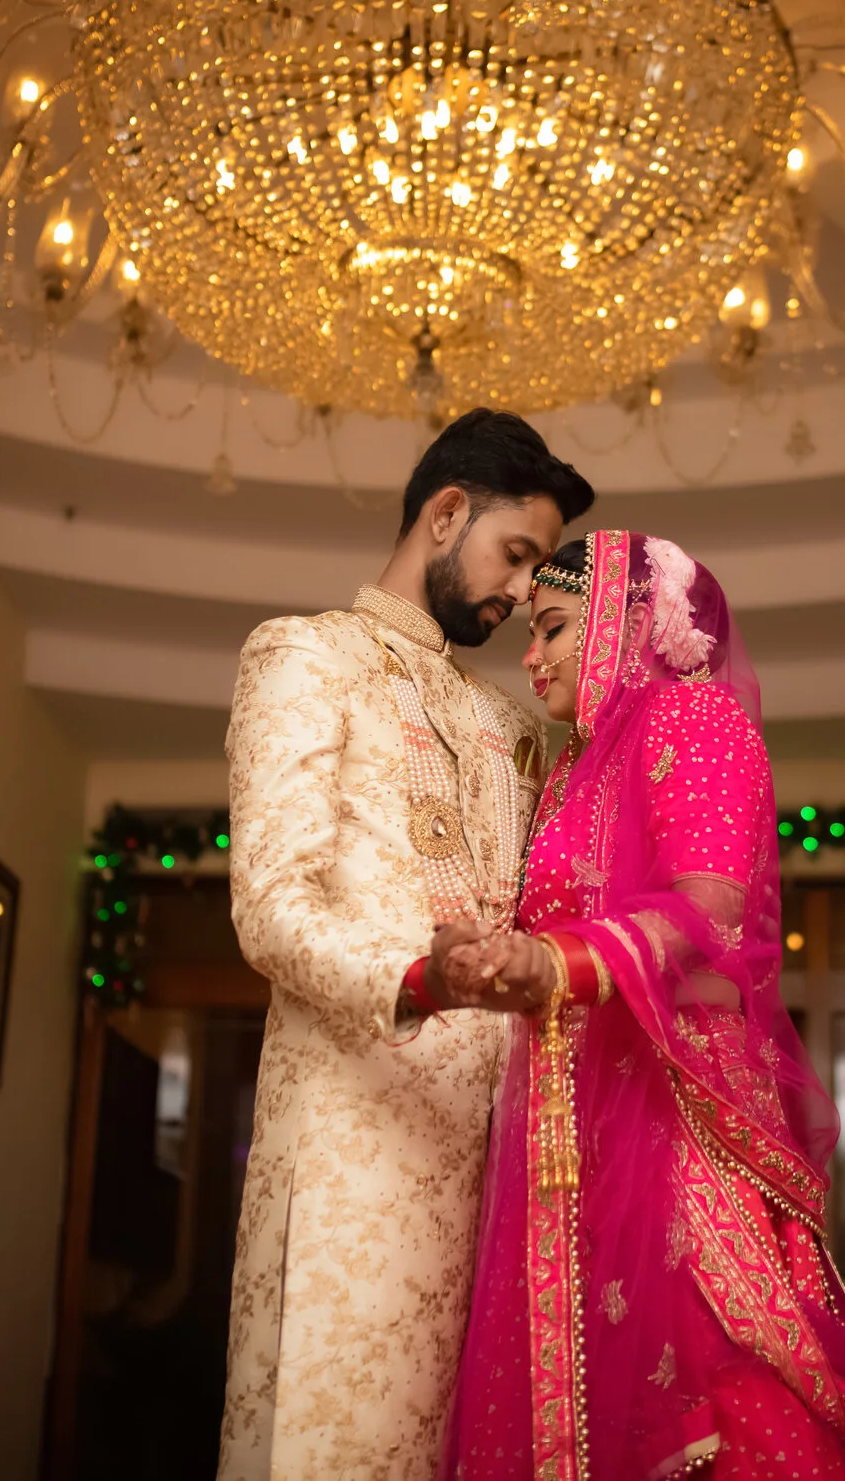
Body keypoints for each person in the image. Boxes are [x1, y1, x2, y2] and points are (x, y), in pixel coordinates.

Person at [438, 530, 845, 1480]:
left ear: (628, 621)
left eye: (550, 628)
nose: (528, 656)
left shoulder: (692, 718)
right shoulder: (570, 773)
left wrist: (556, 968)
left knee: (723, 1390)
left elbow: (708, 912)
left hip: (673, 1122)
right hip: (566, 1133)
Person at [217, 409, 595, 1481]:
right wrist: (417, 974)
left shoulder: (512, 724)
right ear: (442, 514)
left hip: (496, 1167)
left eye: (537, 572)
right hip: (351, 1150)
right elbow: (272, 909)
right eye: (515, 552)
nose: (523, 590)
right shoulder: (305, 654)